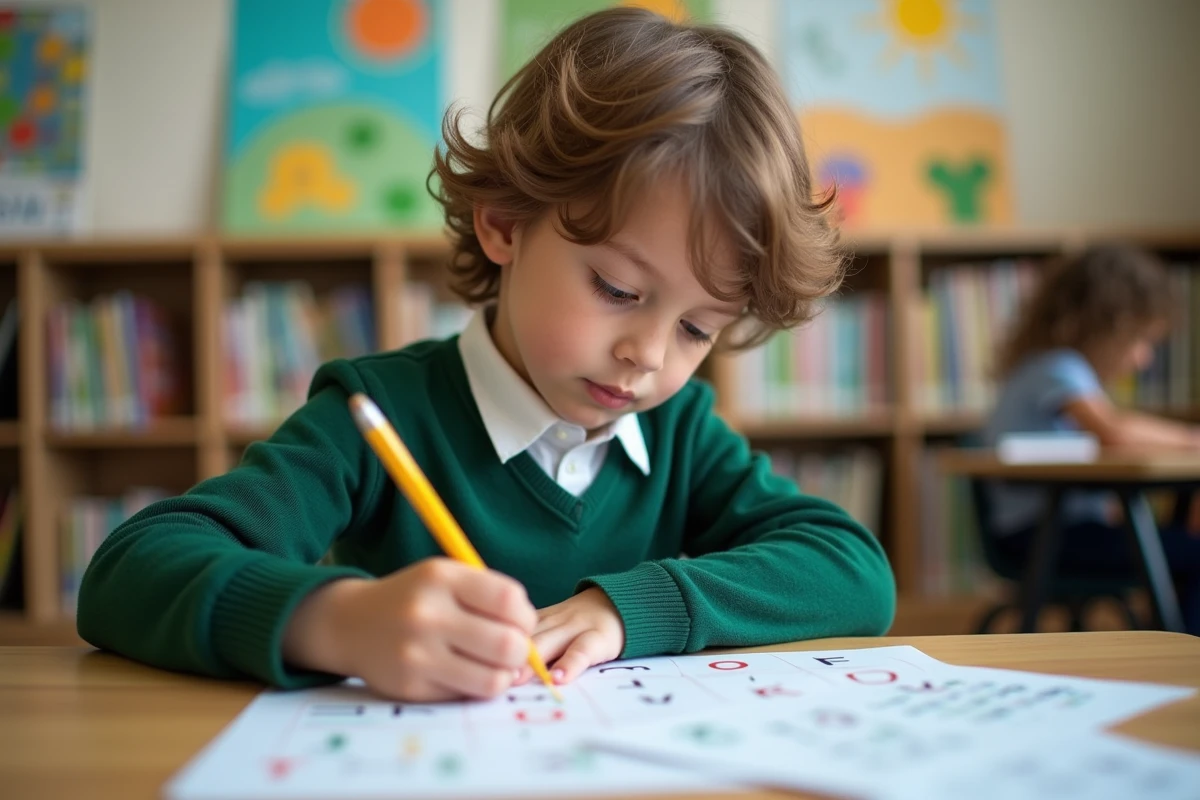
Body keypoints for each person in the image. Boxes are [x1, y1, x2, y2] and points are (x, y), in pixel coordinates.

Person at [77, 8, 895, 700]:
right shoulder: (379, 416)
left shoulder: (680, 430)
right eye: (616, 288)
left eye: (698, 329)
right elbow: (129, 571)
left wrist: (634, 608)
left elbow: (853, 570)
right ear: (503, 222)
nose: (647, 356)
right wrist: (335, 623)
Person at [985, 244, 1200, 634]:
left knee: (1180, 547)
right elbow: (1113, 432)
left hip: (1056, 532)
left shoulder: (1053, 367)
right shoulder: (1056, 367)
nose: (1143, 360)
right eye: (1140, 340)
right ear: (1107, 325)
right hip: (1043, 538)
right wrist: (1191, 439)